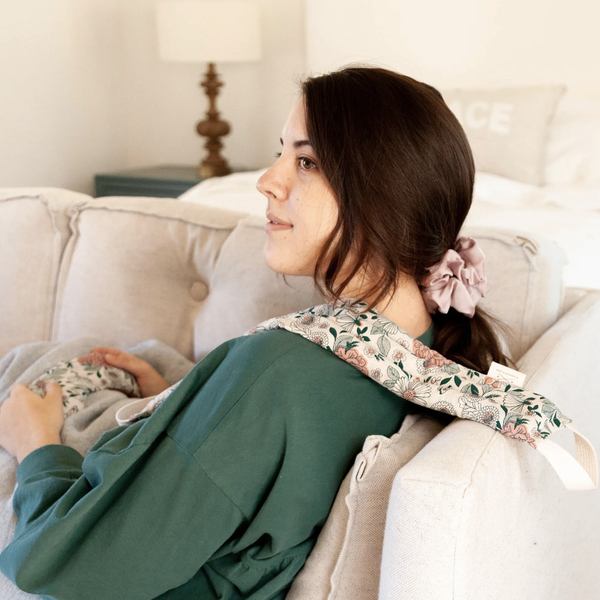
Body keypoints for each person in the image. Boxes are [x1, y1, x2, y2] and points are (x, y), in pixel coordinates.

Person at [0, 67, 508, 599]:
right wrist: (191, 403)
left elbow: (64, 569)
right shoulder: (423, 347)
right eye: (281, 152)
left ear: (384, 195)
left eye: (305, 162)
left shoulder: (277, 372)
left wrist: (35, 444)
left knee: (43, 370)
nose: (267, 180)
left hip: (68, 526)